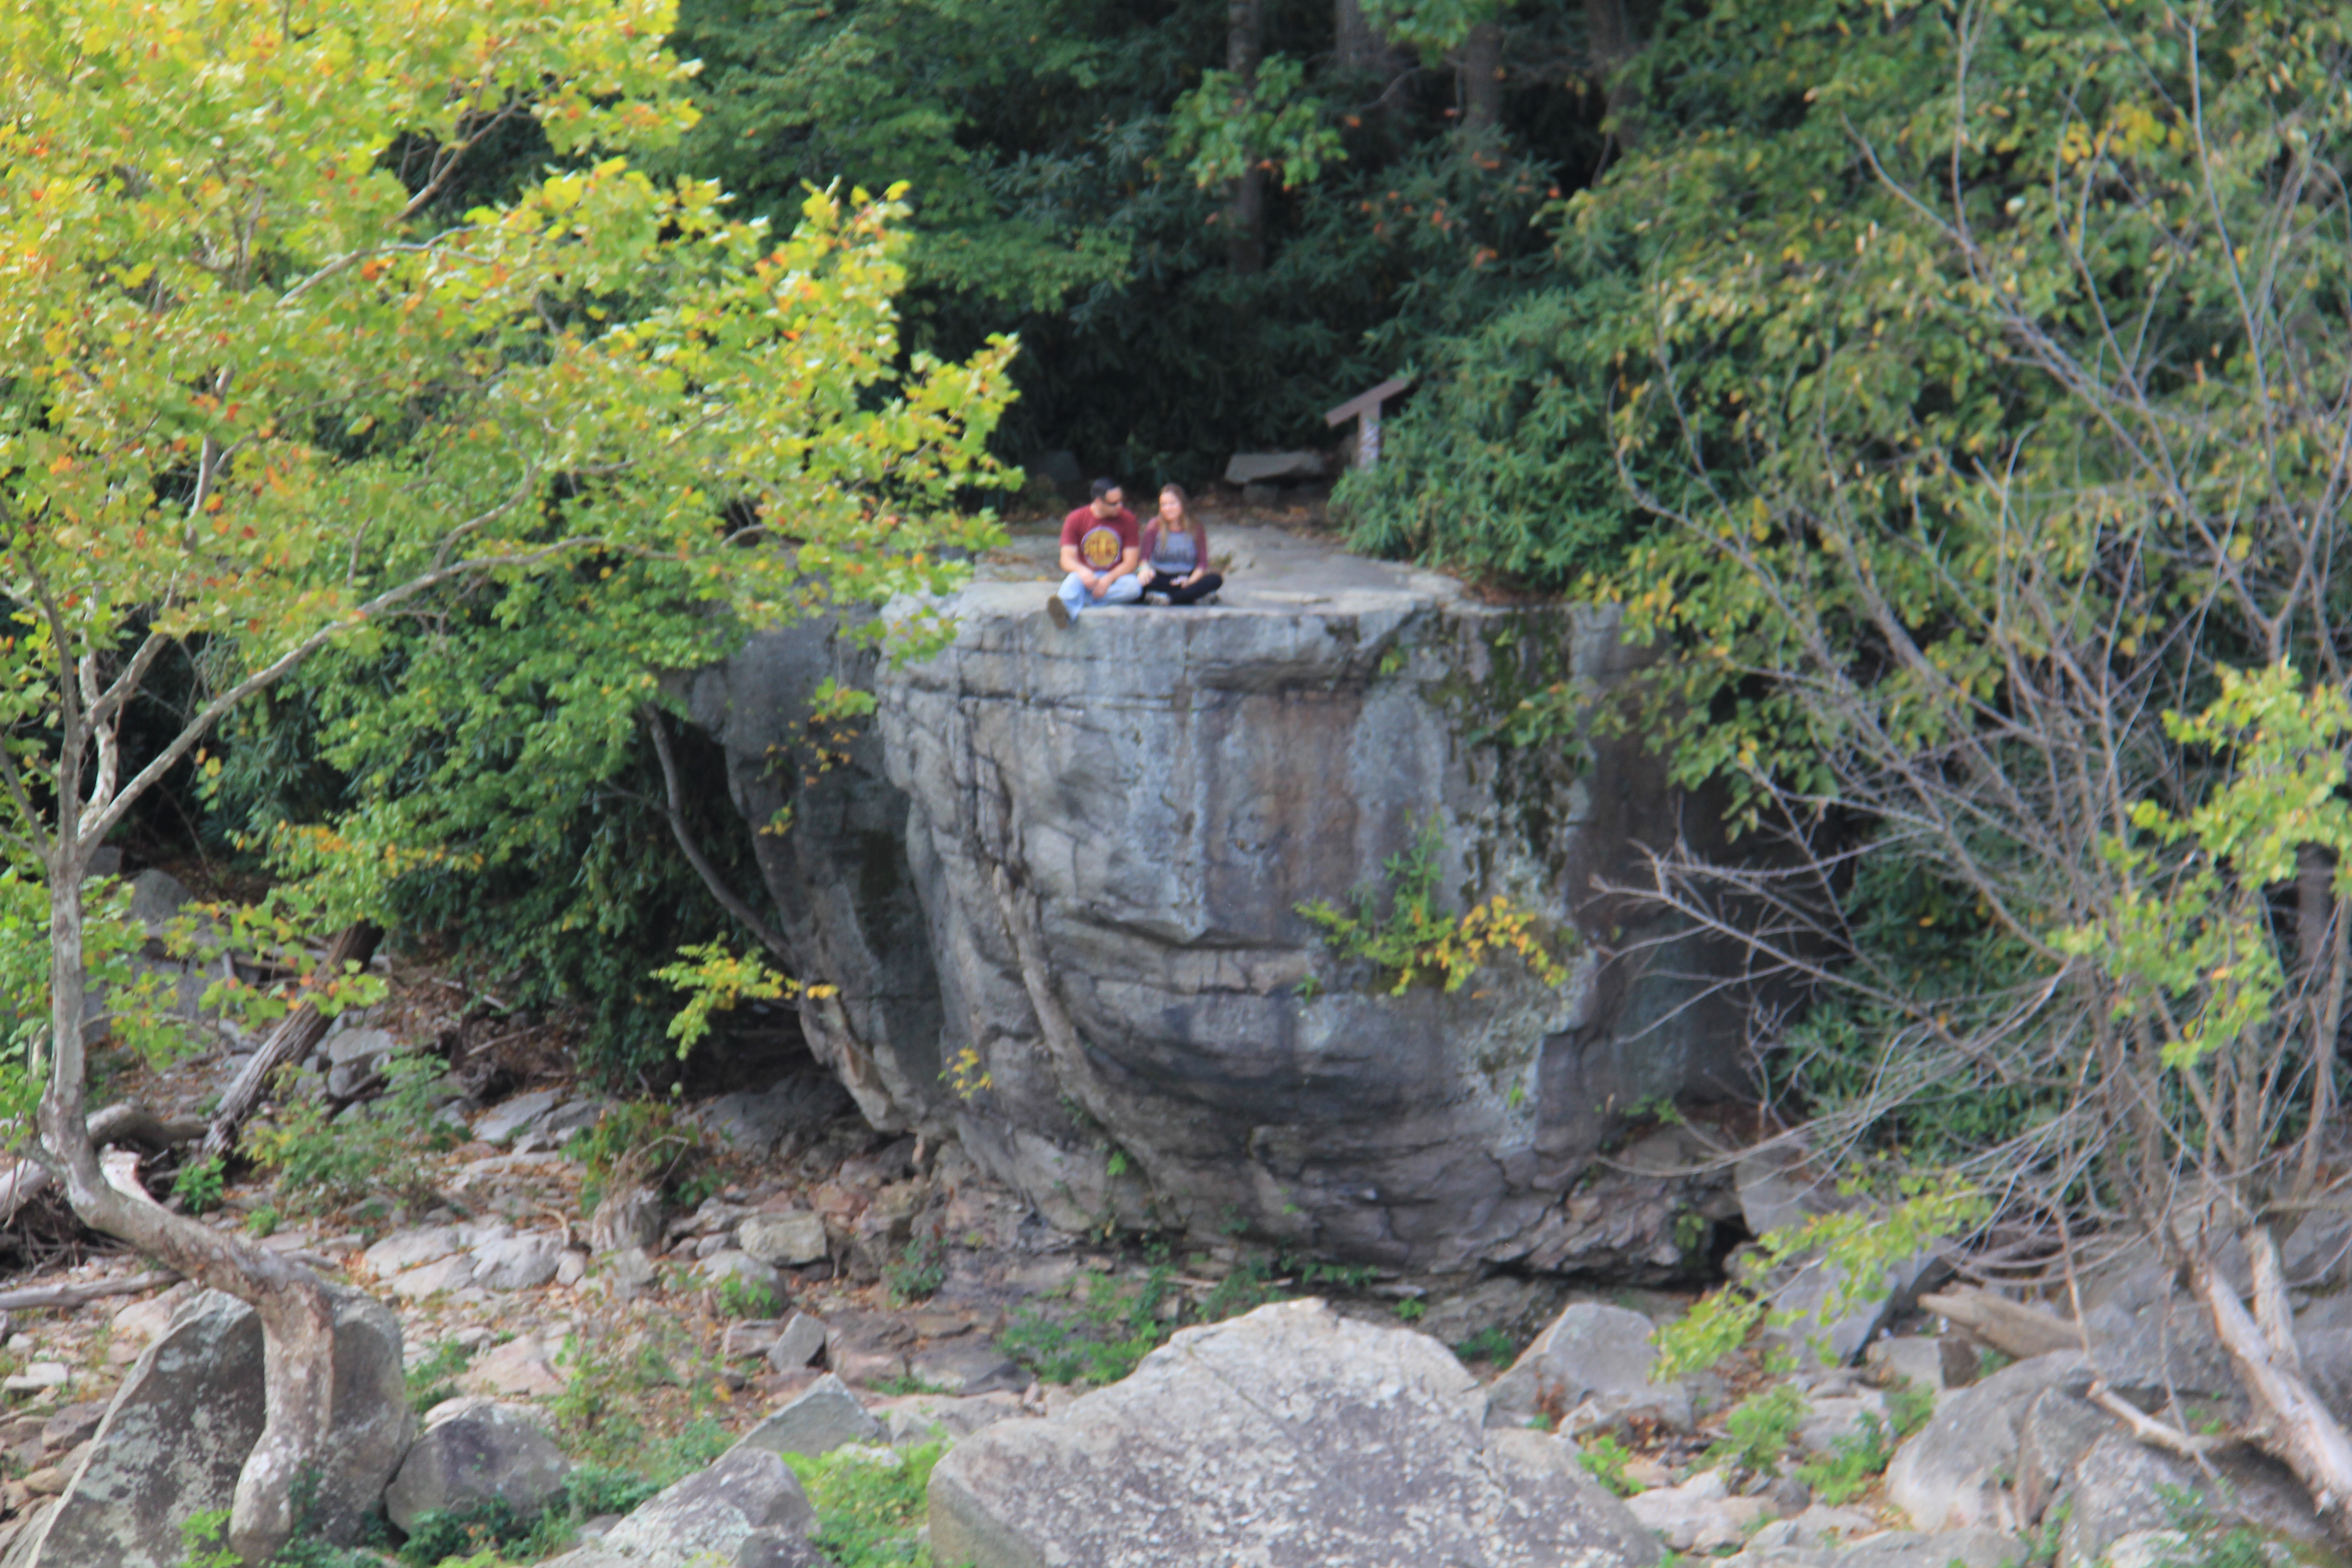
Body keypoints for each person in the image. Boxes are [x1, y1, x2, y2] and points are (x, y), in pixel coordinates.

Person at [1047, 477, 1142, 628]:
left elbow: (1131, 563)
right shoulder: (1075, 519)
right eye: (1114, 504)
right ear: (1099, 502)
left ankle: (1073, 604)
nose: (1120, 506)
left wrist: (1108, 579)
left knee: (1134, 588)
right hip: (1086, 576)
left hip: (1116, 577)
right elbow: (1066, 560)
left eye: (1121, 501)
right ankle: (1068, 605)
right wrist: (1083, 572)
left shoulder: (1129, 520)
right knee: (1073, 581)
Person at [1138, 484, 1224, 606]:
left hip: (1187, 578)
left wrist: (1189, 581)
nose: (1168, 509)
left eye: (1173, 504)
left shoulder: (1196, 527)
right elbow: (1143, 559)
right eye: (1164, 505)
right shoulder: (1154, 526)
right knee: (1137, 583)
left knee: (1216, 579)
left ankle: (1170, 599)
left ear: (1182, 504)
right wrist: (1144, 570)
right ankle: (1190, 597)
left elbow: (1202, 564)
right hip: (1161, 578)